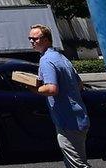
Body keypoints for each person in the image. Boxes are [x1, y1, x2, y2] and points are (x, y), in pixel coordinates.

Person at [29, 24, 91, 168]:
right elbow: (79, 85)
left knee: (77, 165)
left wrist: (35, 88)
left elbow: (51, 89)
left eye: (35, 39)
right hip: (78, 116)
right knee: (74, 162)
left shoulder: (46, 60)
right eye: (30, 38)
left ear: (45, 39)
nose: (31, 41)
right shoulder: (61, 57)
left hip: (67, 120)